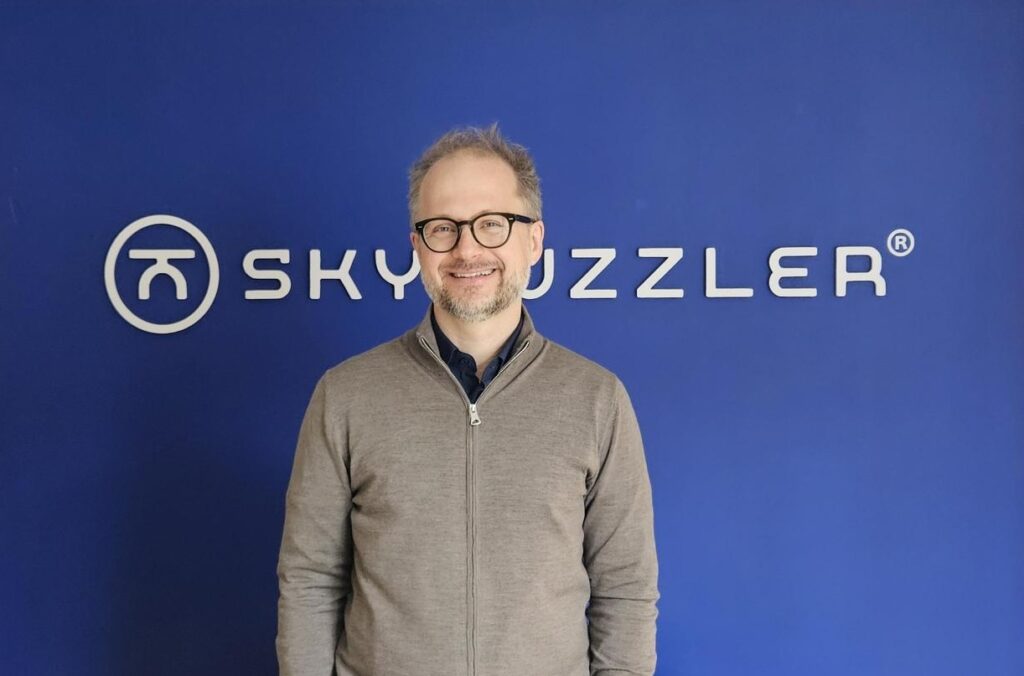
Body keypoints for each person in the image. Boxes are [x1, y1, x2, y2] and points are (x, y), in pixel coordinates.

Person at [276, 123, 659, 676]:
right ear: (417, 246)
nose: (466, 248)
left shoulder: (597, 399)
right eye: (442, 228)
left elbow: (624, 590)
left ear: (534, 240)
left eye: (491, 225)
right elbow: (310, 579)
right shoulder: (345, 395)